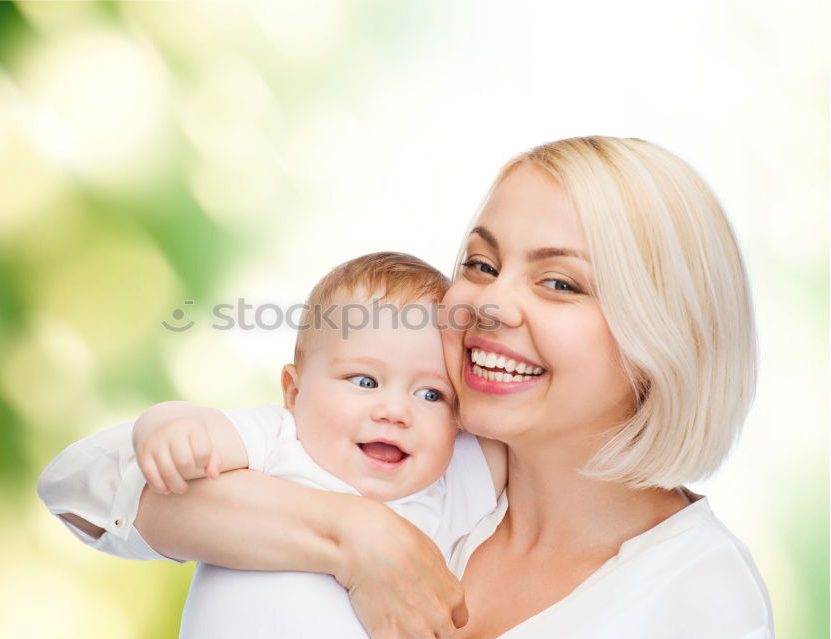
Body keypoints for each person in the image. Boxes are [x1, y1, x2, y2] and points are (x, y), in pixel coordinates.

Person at [38, 136, 774, 638]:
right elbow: (86, 485)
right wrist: (356, 535)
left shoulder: (698, 597)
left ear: (664, 335)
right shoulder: (425, 455)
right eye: (481, 265)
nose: (487, 303)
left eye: (559, 282)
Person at [38, 252, 507, 638]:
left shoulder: (443, 489)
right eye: (365, 380)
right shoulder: (279, 439)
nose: (395, 411)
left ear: (458, 423)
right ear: (294, 392)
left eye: (431, 395)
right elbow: (193, 433)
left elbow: (530, 439)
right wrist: (163, 426)